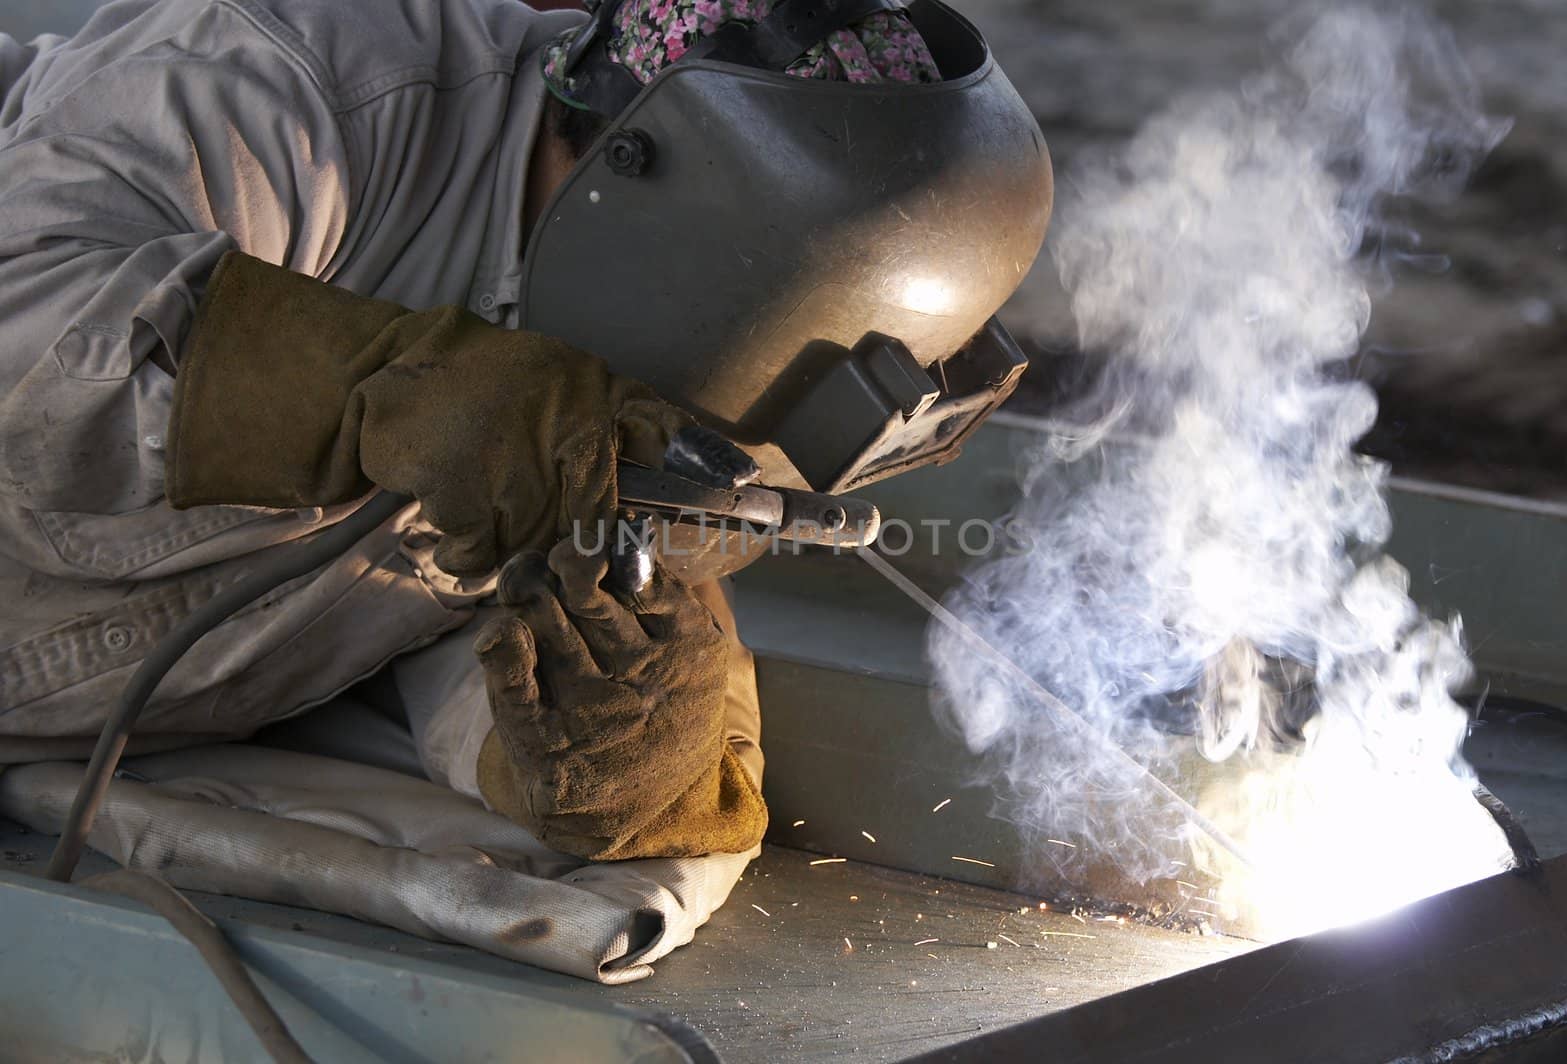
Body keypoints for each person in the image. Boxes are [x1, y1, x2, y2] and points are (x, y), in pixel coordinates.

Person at [0, 0, 1049, 983]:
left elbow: (470, 614)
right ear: (645, 191)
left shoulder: (656, 362)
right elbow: (29, 336)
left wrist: (597, 753)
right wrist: (372, 386)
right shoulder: (289, 89)